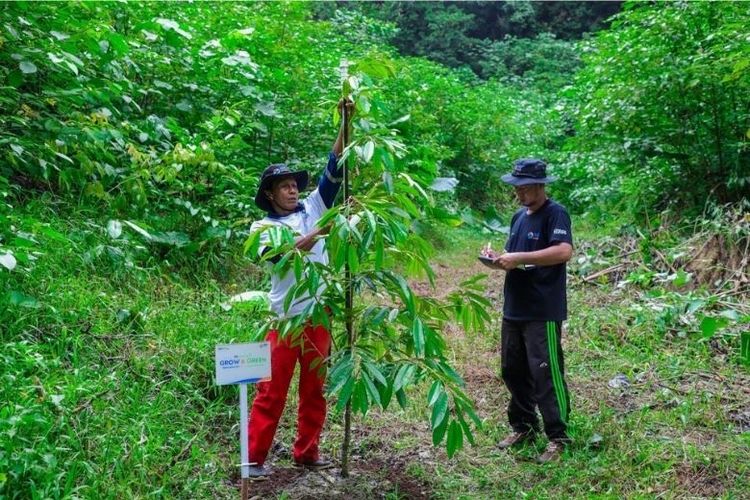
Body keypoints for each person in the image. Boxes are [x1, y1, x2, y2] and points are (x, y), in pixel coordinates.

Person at [246, 100, 354, 478]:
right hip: (284, 320)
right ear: (271, 194)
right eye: (284, 187)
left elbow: (334, 167)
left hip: (318, 315)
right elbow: (277, 257)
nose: (292, 191)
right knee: (270, 391)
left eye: (294, 185)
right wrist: (315, 235)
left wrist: (346, 121)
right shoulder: (261, 229)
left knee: (314, 390)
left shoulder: (313, 207)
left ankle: (307, 452)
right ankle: (253, 459)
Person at [484, 158, 574, 464]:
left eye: (523, 188)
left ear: (540, 185)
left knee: (545, 372)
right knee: (513, 369)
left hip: (542, 309)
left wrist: (519, 255)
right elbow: (516, 257)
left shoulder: (555, 213)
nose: (518, 194)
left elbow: (563, 251)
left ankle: (558, 436)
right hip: (515, 307)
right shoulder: (517, 218)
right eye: (516, 188)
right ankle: (523, 426)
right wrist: (498, 259)